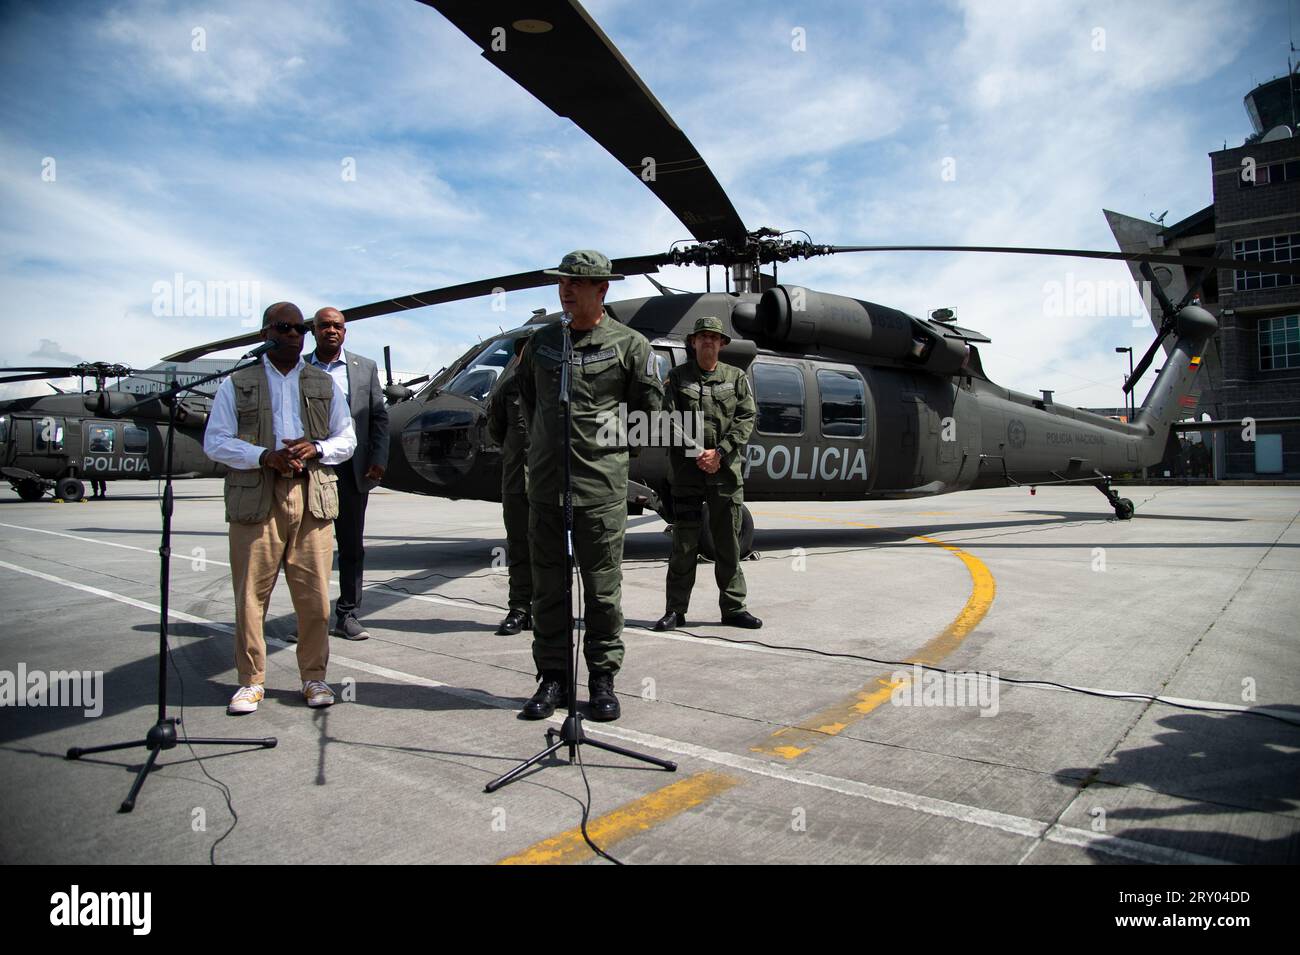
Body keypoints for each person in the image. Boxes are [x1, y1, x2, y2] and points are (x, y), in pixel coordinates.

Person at [515, 250, 663, 721]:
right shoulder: (540, 343)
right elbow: (528, 402)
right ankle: (553, 679)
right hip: (545, 487)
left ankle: (602, 679)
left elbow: (648, 416)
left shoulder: (630, 345)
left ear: (602, 290)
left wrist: (610, 457)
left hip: (600, 490)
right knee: (548, 590)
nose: (566, 289)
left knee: (602, 591)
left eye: (576, 283)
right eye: (562, 281)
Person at [203, 302, 356, 715]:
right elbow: (214, 440)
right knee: (251, 596)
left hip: (311, 495)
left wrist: (317, 447)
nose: (294, 335)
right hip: (258, 494)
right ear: (264, 334)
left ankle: (314, 678)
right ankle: (251, 682)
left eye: (299, 328)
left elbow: (347, 439)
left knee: (315, 599)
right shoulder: (237, 382)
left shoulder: (324, 384)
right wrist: (263, 456)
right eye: (284, 328)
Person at [653, 316, 762, 631]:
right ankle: (675, 610)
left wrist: (721, 453)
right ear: (693, 342)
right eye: (702, 337)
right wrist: (698, 451)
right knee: (684, 546)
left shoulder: (736, 377)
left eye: (714, 338)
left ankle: (734, 609)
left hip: (725, 475)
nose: (708, 342)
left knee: (728, 544)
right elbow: (668, 418)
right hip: (688, 474)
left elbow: (746, 417)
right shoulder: (677, 377)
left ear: (722, 344)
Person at [307, 307, 389, 641]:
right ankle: (310, 620)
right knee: (308, 547)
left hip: (353, 468)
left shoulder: (364, 368)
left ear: (345, 332)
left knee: (352, 545)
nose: (331, 331)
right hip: (311, 468)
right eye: (324, 326)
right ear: (313, 331)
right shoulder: (299, 368)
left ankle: (348, 614)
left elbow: (379, 417)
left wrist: (379, 458)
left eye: (337, 326)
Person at [487, 339, 531, 635]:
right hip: (517, 483)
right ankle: (519, 609)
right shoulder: (508, 389)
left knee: (553, 551)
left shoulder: (563, 388)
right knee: (518, 548)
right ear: (519, 354)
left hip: (553, 485)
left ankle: (548, 610)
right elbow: (496, 430)